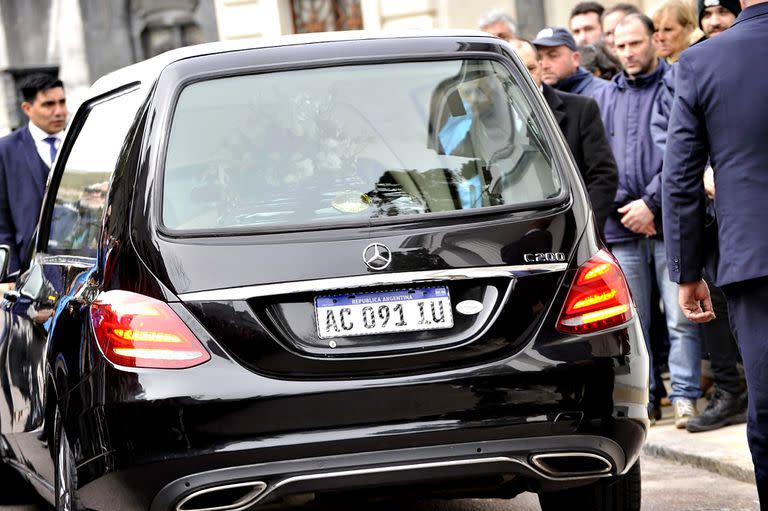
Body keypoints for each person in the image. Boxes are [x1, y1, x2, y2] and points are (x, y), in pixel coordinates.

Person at [662, 1, 768, 500]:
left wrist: (687, 270)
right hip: (752, 257)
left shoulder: (703, 62)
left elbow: (681, 177)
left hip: (755, 258)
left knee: (767, 408)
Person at [602, 13, 702, 428]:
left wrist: (652, 205)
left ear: (654, 40)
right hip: (622, 225)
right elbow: (600, 161)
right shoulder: (605, 95)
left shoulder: (676, 83)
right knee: (635, 322)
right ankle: (648, 399)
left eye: (635, 43)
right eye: (620, 45)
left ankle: (685, 396)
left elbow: (686, 154)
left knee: (681, 317)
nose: (627, 52)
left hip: (670, 222)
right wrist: (630, 206)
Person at [651, 0, 745, 434]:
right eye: (707, 15)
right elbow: (670, 148)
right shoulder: (692, 68)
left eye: (720, 12)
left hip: (742, 218)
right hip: (711, 219)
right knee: (716, 311)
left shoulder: (729, 59)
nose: (714, 21)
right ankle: (730, 390)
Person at [511, 39, 618, 234]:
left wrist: (583, 228)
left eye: (530, 68)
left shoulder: (581, 109)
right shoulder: (491, 119)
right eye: (516, 72)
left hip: (574, 234)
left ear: (541, 67)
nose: (524, 77)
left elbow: (604, 176)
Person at [0, 74, 67, 274]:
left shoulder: (82, 139)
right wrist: (8, 274)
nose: (59, 111)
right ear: (27, 109)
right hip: (30, 271)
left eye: (62, 102)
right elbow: (1, 220)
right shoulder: (6, 150)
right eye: (48, 104)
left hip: (83, 266)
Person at [532, 27, 611, 106]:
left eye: (553, 56)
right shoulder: (536, 96)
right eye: (539, 57)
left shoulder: (604, 94)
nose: (544, 65)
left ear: (575, 58)